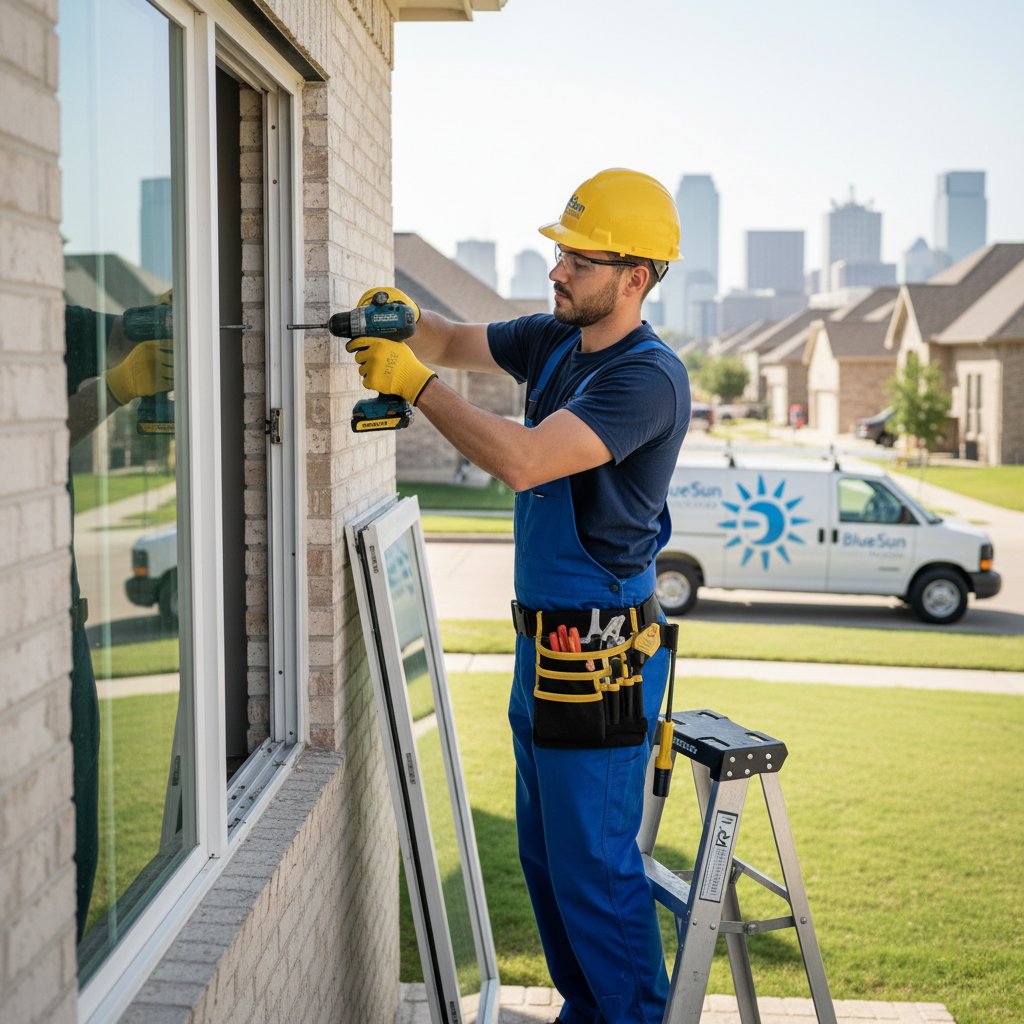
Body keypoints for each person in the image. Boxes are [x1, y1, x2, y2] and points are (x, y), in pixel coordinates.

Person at [350, 168, 690, 1023]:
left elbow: (525, 459)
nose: (557, 271)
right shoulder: (553, 341)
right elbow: (453, 338)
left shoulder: (646, 379)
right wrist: (401, 320)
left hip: (603, 658)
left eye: (579, 259)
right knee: (544, 859)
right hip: (543, 648)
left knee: (595, 867)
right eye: (560, 253)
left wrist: (415, 385)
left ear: (635, 276)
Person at [65, 301, 174, 939]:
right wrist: (115, 388)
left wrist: (149, 319)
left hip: (64, 627)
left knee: (76, 832)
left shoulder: (23, 300)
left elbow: (99, 331)